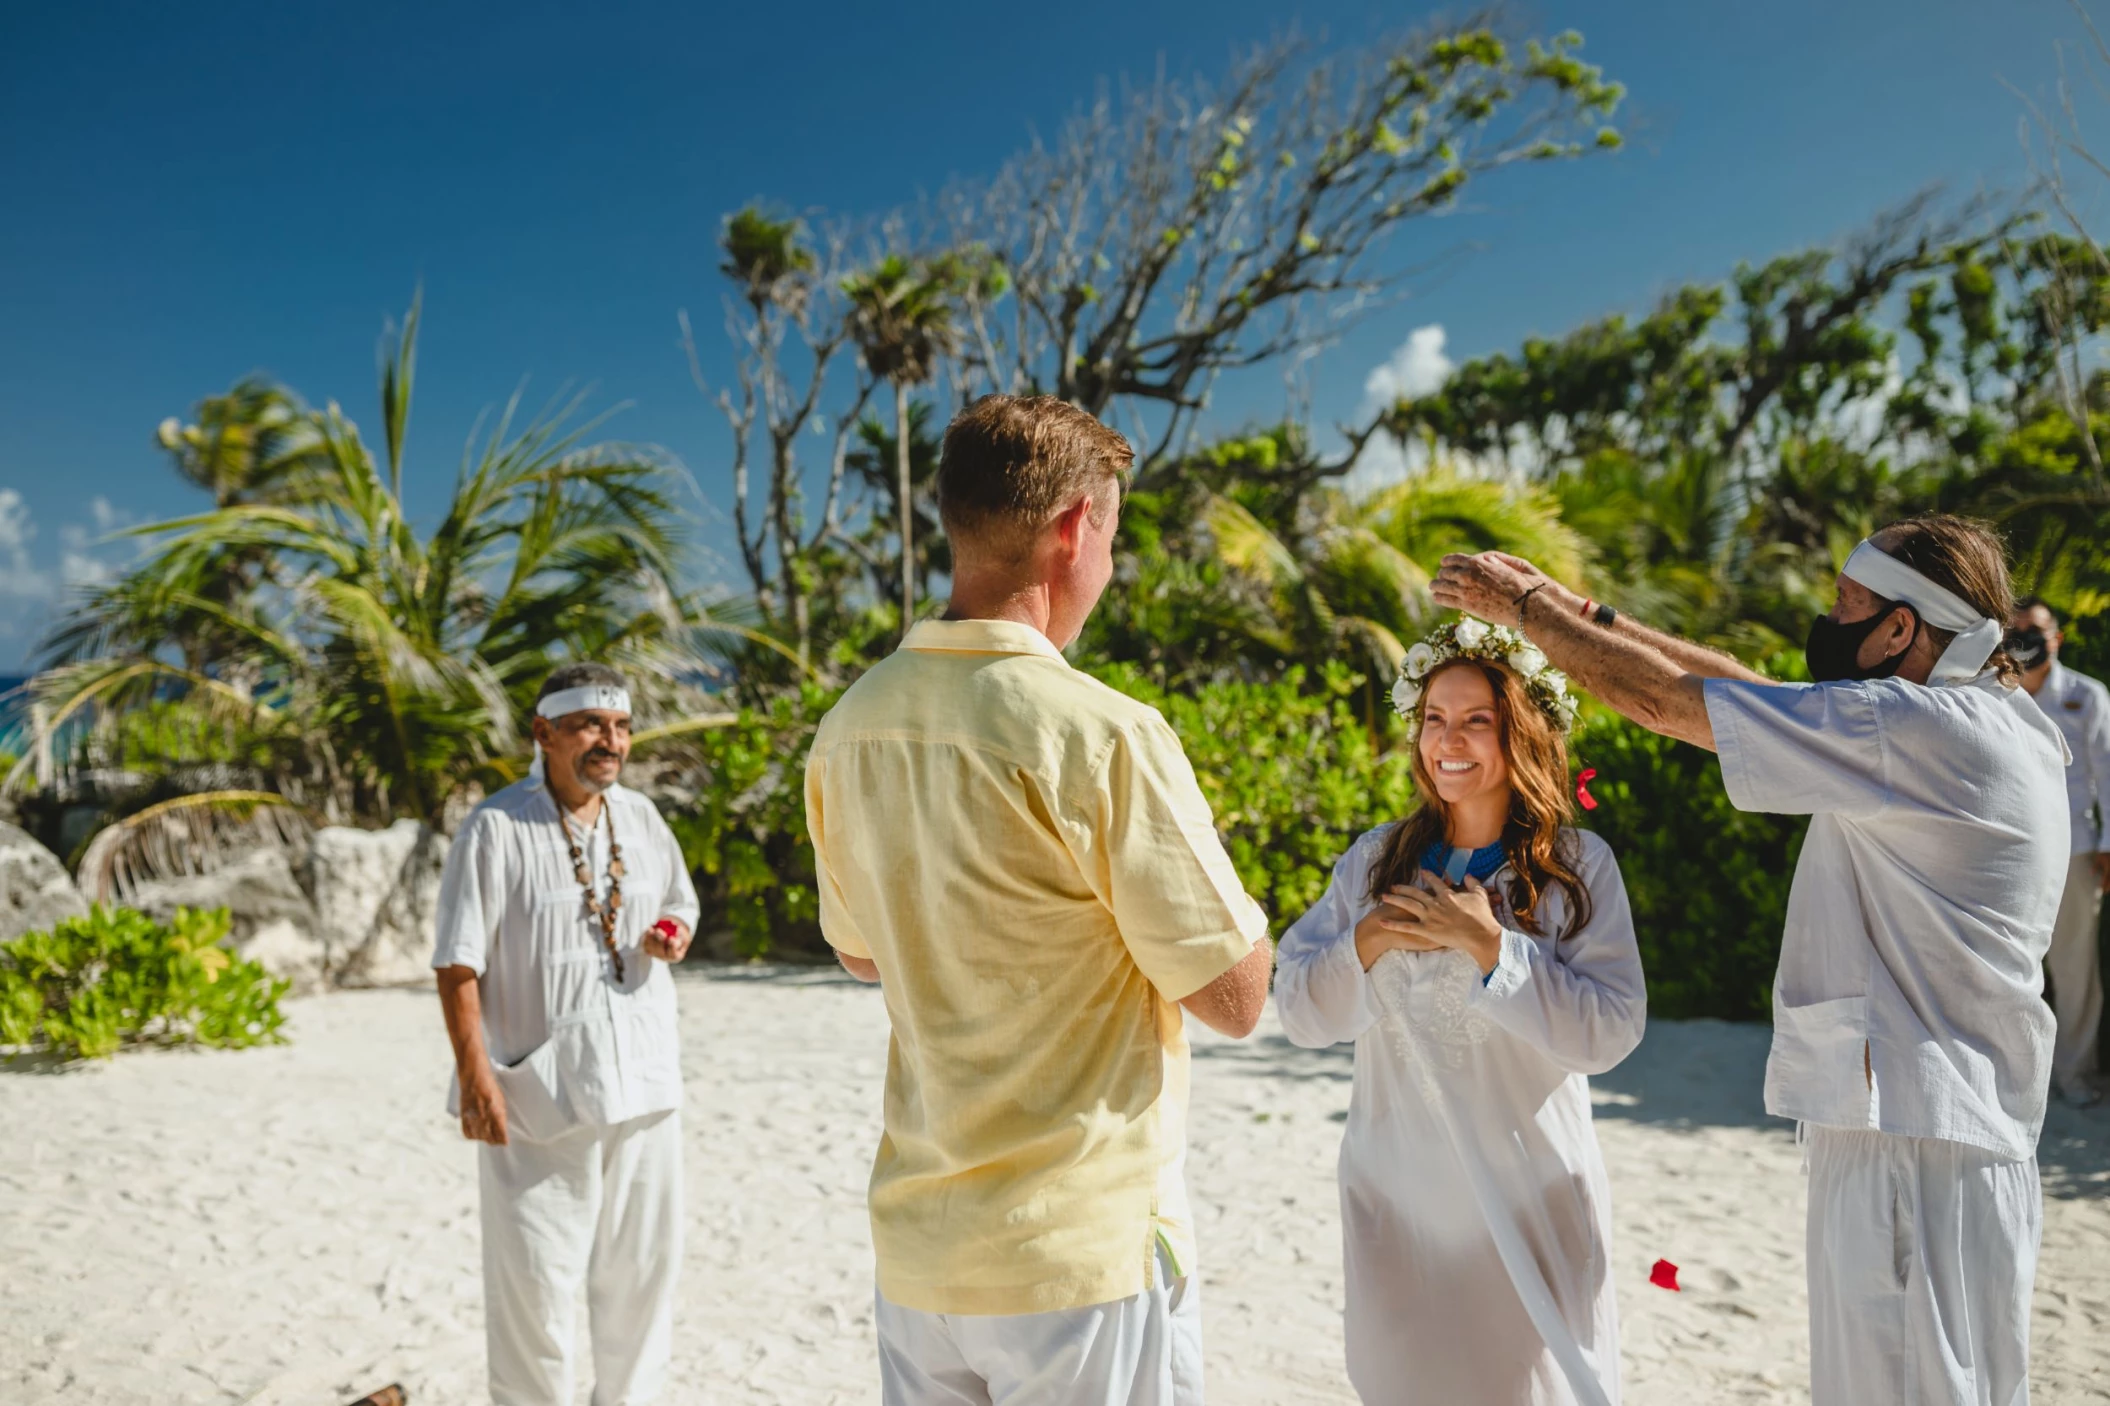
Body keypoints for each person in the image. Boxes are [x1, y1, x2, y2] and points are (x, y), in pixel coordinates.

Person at [1432, 516, 2068, 1406]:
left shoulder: (1915, 729)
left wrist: (1526, 610)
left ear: (1901, 629)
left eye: (1849, 605)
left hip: (1913, 1137)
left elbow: (1670, 706)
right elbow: (1746, 691)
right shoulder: (1997, 719)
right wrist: (1579, 608)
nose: (1830, 619)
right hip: (1944, 1129)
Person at [804, 394, 1273, 1406]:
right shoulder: (1102, 731)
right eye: (1109, 531)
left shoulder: (849, 726)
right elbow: (1235, 996)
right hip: (1077, 1251)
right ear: (1075, 527)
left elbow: (860, 952)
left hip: (922, 1250)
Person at [1275, 619, 1644, 1406]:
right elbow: (1302, 1015)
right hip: (1396, 1203)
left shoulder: (1577, 870)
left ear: (1521, 732)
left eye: (1477, 720)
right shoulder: (1375, 862)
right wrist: (1365, 943)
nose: (1450, 740)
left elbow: (1611, 1032)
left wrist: (1494, 952)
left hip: (1528, 1200)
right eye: (1436, 719)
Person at [431, 663, 701, 1406]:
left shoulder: (641, 818)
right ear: (543, 733)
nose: (608, 742)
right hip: (538, 1093)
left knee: (642, 1277)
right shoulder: (495, 827)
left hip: (644, 1083)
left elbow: (680, 900)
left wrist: (674, 932)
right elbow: (457, 963)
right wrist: (476, 1076)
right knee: (534, 1285)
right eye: (589, 725)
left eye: (619, 727)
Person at [2009, 596, 2110, 1107]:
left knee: (2073, 969)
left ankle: (2075, 1076)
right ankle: (2018, 1081)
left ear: (2057, 637)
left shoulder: (2087, 696)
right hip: (2007, 850)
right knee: (2008, 967)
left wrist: (2109, 846)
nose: (2026, 638)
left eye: (2035, 629)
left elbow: (2109, 774)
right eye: (2016, 629)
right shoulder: (1994, 693)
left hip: (2074, 851)